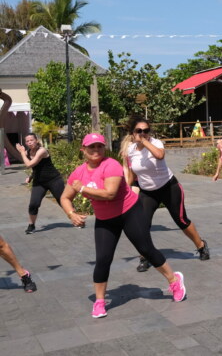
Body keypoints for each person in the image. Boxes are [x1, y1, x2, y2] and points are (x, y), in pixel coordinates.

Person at [60, 133, 186, 318]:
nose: (96, 150)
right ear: (83, 150)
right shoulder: (78, 173)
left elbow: (110, 193)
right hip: (105, 219)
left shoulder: (111, 165)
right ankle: (100, 301)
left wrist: (82, 188)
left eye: (99, 146)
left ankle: (174, 280)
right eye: (91, 147)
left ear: (104, 148)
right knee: (103, 259)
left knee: (146, 249)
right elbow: (64, 197)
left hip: (129, 212)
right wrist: (71, 213)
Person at [123, 117, 210, 273]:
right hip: (147, 192)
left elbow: (160, 155)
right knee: (142, 225)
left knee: (181, 220)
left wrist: (145, 142)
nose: (143, 133)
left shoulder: (155, 143)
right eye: (139, 131)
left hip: (168, 187)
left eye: (146, 131)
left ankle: (201, 245)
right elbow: (131, 174)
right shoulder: (129, 150)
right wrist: (126, 190)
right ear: (132, 133)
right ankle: (145, 256)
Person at [15, 133, 65, 234]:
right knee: (34, 204)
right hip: (39, 182)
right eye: (27, 141)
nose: (29, 143)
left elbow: (29, 164)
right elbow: (36, 168)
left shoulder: (42, 150)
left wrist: (22, 153)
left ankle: (77, 218)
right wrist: (31, 177)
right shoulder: (29, 152)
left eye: (31, 140)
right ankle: (31, 225)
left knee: (63, 201)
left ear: (36, 140)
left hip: (53, 179)